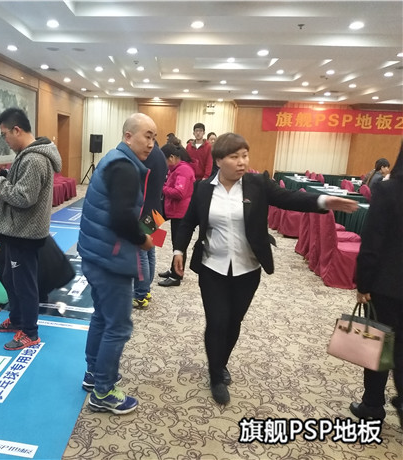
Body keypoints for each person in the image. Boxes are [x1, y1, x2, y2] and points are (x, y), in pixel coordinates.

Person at [171, 133, 359, 405]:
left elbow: (289, 198)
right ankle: (215, 376)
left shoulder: (257, 184)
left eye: (245, 155)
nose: (242, 162)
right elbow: (189, 222)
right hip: (212, 266)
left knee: (234, 321)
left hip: (248, 268)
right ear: (219, 160)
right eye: (234, 157)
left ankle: (221, 362)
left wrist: (322, 202)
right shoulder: (203, 189)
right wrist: (178, 250)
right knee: (217, 321)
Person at [78, 113, 156, 414]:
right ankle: (104, 391)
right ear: (128, 136)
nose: (151, 143)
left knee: (102, 316)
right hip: (111, 259)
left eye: (154, 137)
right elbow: (122, 218)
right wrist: (143, 239)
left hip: (97, 254)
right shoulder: (124, 167)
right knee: (119, 326)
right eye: (146, 136)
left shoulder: (114, 159)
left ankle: (93, 373)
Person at [0, 107, 62, 351]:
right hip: (16, 230)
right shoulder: (26, 155)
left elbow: (23, 197)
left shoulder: (34, 158)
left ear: (17, 130)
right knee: (11, 277)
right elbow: (24, 182)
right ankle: (17, 319)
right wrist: (4, 174)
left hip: (25, 232)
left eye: (5, 134)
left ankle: (30, 332)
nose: (5, 140)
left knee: (24, 284)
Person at [350, 142, 403, 429]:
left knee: (379, 343)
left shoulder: (388, 189)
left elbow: (372, 242)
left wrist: (363, 283)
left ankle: (372, 406)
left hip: (387, 285)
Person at [0, 199, 75, 305]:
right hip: (62, 272)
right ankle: (40, 294)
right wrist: (3, 251)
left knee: (1, 268)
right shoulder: (27, 220)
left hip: (43, 278)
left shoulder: (7, 230)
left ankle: (21, 299)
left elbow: (5, 259)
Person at [133, 141, 168, 309]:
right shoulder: (160, 154)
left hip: (145, 211)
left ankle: (140, 294)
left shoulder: (147, 155)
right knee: (150, 251)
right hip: (157, 211)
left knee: (140, 252)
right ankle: (145, 290)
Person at [158, 143, 195, 287]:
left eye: (165, 161)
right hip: (172, 210)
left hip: (182, 213)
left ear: (172, 157)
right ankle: (173, 269)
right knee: (174, 241)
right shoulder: (175, 169)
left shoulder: (183, 170)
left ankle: (176, 276)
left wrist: (162, 188)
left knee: (179, 244)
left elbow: (179, 192)